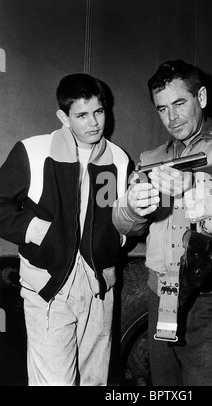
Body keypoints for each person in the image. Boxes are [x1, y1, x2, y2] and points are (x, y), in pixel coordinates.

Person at [112, 59, 212, 386]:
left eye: (179, 103)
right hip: (162, 291)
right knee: (166, 385)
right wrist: (131, 207)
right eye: (161, 109)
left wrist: (197, 186)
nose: (171, 117)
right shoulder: (150, 159)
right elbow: (124, 226)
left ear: (200, 98)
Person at [0, 73, 130, 386]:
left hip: (98, 289)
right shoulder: (33, 151)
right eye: (81, 115)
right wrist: (35, 230)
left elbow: (119, 216)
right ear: (64, 116)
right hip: (48, 287)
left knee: (94, 381)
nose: (94, 123)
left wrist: (117, 238)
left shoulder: (118, 159)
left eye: (98, 112)